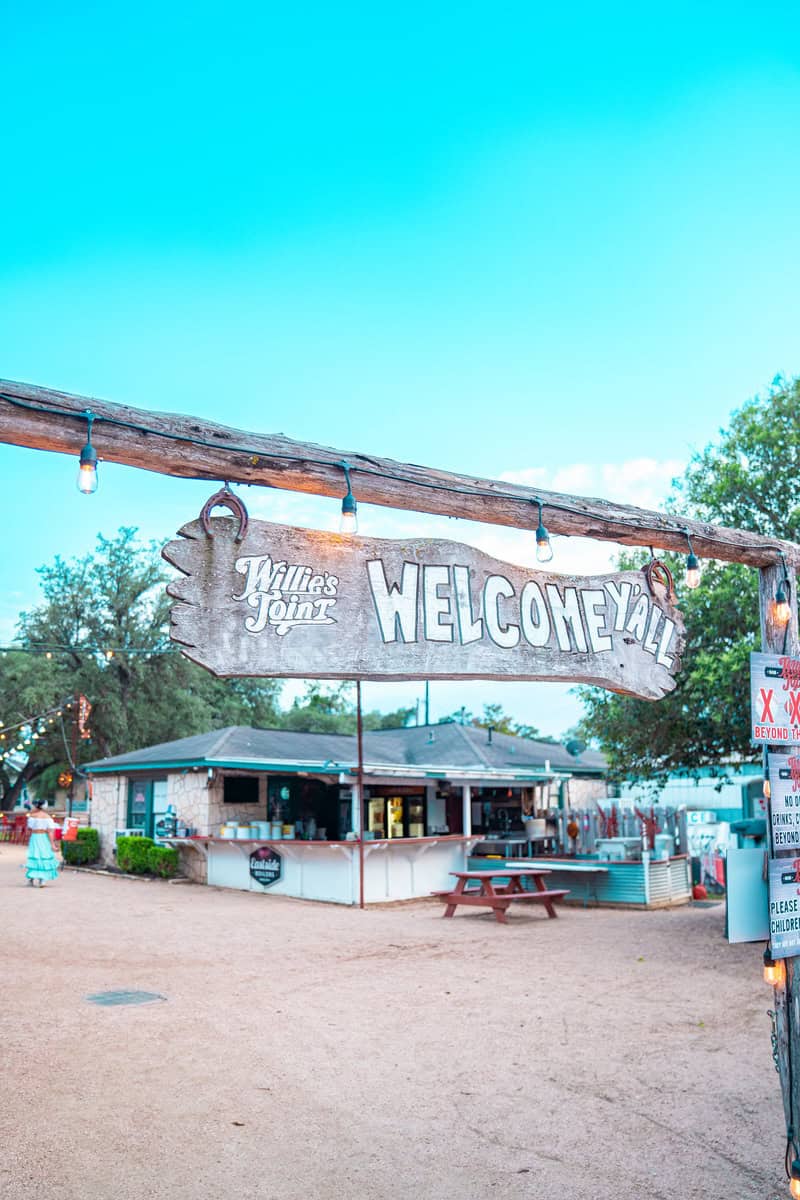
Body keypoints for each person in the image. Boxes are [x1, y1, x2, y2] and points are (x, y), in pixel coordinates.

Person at [25, 801, 59, 887]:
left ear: (37, 807)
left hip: (35, 837)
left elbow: (28, 830)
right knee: (44, 856)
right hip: (44, 838)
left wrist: (27, 838)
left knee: (35, 856)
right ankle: (42, 880)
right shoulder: (48, 817)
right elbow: (51, 832)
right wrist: (53, 844)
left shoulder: (32, 816)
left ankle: (31, 879)